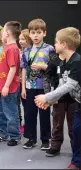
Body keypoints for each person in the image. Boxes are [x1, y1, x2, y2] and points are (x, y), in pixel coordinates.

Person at [34, 27, 80, 169]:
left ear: (64, 44)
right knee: (77, 131)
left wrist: (46, 97)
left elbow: (70, 86)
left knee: (77, 131)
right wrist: (51, 100)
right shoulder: (65, 61)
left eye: (57, 42)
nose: (54, 45)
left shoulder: (77, 62)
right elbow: (62, 84)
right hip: (78, 103)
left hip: (76, 101)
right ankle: (77, 162)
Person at [21, 19, 55, 150]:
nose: (35, 35)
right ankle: (31, 138)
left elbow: (53, 67)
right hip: (29, 87)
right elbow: (23, 69)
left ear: (44, 33)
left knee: (44, 114)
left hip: (44, 87)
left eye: (39, 32)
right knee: (29, 113)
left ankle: (45, 140)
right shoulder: (26, 51)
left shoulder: (49, 49)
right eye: (33, 32)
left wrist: (42, 66)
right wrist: (23, 87)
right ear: (29, 34)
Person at [0, 21, 22, 146]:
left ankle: (14, 136)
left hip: (9, 88)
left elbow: (13, 69)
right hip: (1, 87)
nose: (2, 33)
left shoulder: (13, 49)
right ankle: (2, 133)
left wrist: (6, 86)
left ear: (8, 33)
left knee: (11, 112)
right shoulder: (6, 47)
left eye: (4, 31)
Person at [18, 29, 32, 134]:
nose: (20, 41)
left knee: (28, 106)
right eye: (19, 39)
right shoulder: (21, 51)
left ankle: (28, 125)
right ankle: (22, 123)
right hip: (20, 82)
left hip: (30, 83)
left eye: (23, 39)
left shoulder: (31, 51)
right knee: (21, 104)